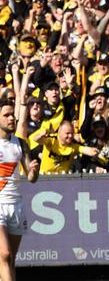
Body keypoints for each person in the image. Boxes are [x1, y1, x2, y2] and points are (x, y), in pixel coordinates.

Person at [0, 98, 38, 281]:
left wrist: (33, 170)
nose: (11, 119)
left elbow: (31, 179)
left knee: (10, 260)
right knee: (5, 255)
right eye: (6, 115)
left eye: (12, 115)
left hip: (16, 205)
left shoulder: (20, 144)